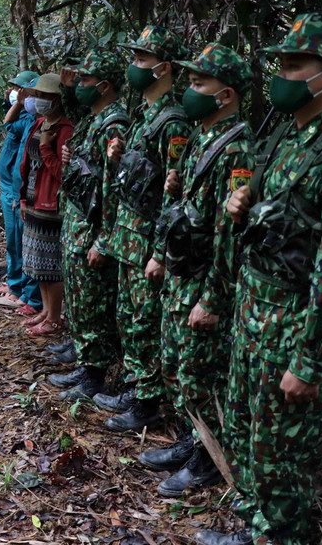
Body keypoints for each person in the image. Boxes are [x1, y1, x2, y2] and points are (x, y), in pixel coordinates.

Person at [197, 13, 322, 545]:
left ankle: (278, 535)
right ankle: (255, 526)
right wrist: (240, 205)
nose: (280, 75)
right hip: (254, 318)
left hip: (294, 329)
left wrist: (309, 360)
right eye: (279, 64)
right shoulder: (289, 136)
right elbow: (273, 225)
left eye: (293, 65)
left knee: (281, 457)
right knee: (250, 438)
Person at [138, 44, 255, 497]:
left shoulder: (236, 147)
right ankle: (193, 442)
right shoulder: (202, 137)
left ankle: (209, 460)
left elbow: (230, 236)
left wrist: (213, 299)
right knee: (179, 368)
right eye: (187, 82)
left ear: (225, 95)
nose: (189, 91)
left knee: (201, 376)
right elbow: (188, 210)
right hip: (182, 274)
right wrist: (176, 186)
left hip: (205, 282)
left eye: (198, 83)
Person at [92, 26, 192, 433]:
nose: (133, 67)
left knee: (146, 323)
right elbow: (138, 181)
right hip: (129, 238)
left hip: (148, 242)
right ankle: (136, 389)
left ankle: (148, 402)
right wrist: (117, 159)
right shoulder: (143, 117)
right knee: (131, 319)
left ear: (163, 68)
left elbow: (174, 195)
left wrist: (160, 253)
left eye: (141, 60)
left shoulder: (173, 122)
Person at [46, 51, 130, 401]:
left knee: (94, 305)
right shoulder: (96, 119)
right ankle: (84, 361)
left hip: (93, 228)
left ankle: (94, 375)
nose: (80, 85)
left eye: (86, 80)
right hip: (78, 222)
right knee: (81, 301)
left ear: (105, 86)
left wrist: (105, 239)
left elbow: (114, 189)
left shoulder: (114, 124)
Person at [19, 73, 75, 337]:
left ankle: (54, 318)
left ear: (57, 100)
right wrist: (23, 198)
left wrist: (46, 148)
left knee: (51, 266)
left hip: (52, 205)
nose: (39, 100)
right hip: (33, 200)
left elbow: (63, 174)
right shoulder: (40, 123)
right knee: (37, 263)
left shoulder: (65, 129)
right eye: (37, 95)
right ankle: (45, 310)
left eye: (44, 96)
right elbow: (27, 164)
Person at [0, 71, 43, 315]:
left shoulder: (35, 121)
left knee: (25, 243)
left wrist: (21, 102)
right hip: (10, 188)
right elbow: (8, 123)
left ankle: (28, 294)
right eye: (14, 88)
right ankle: (16, 286)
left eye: (21, 89)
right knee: (13, 241)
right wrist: (13, 101)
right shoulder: (23, 116)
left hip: (22, 192)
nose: (17, 92)